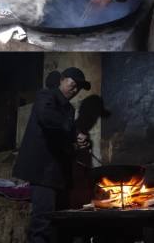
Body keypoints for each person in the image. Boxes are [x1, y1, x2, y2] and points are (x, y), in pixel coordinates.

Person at [13, 67, 92, 243]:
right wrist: (74, 133)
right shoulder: (47, 95)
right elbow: (46, 118)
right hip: (42, 172)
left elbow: (62, 140)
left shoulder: (69, 110)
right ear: (62, 80)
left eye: (78, 88)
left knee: (55, 224)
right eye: (73, 84)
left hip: (57, 175)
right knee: (42, 223)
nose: (75, 90)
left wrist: (77, 144)